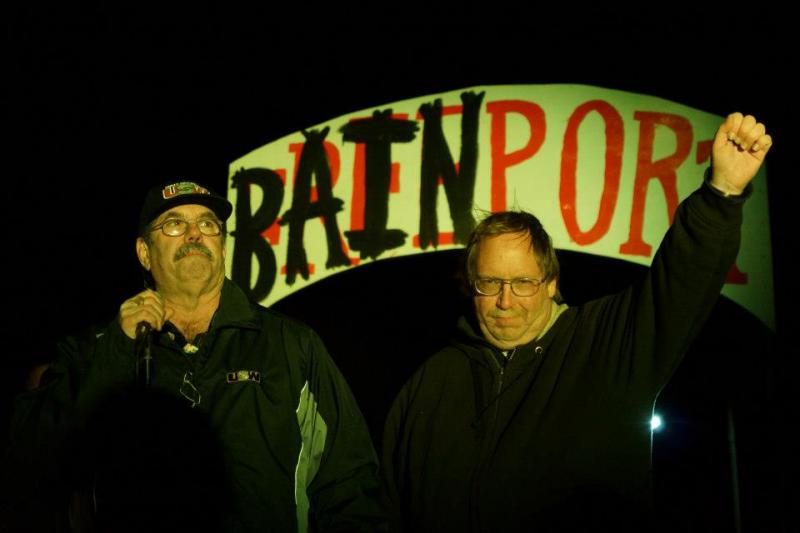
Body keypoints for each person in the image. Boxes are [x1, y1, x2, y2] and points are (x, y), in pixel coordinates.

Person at [380, 113, 772, 532]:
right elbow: (381, 506)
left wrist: (722, 193)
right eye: (490, 282)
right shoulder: (428, 384)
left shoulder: (603, 343)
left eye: (523, 282)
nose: (505, 301)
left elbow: (680, 282)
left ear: (551, 283)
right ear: (470, 284)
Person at [1, 181, 385, 532]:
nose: (194, 234)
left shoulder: (291, 344)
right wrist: (117, 350)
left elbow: (349, 481)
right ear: (144, 253)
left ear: (222, 245)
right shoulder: (95, 348)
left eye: (208, 224)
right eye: (173, 224)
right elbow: (28, 462)